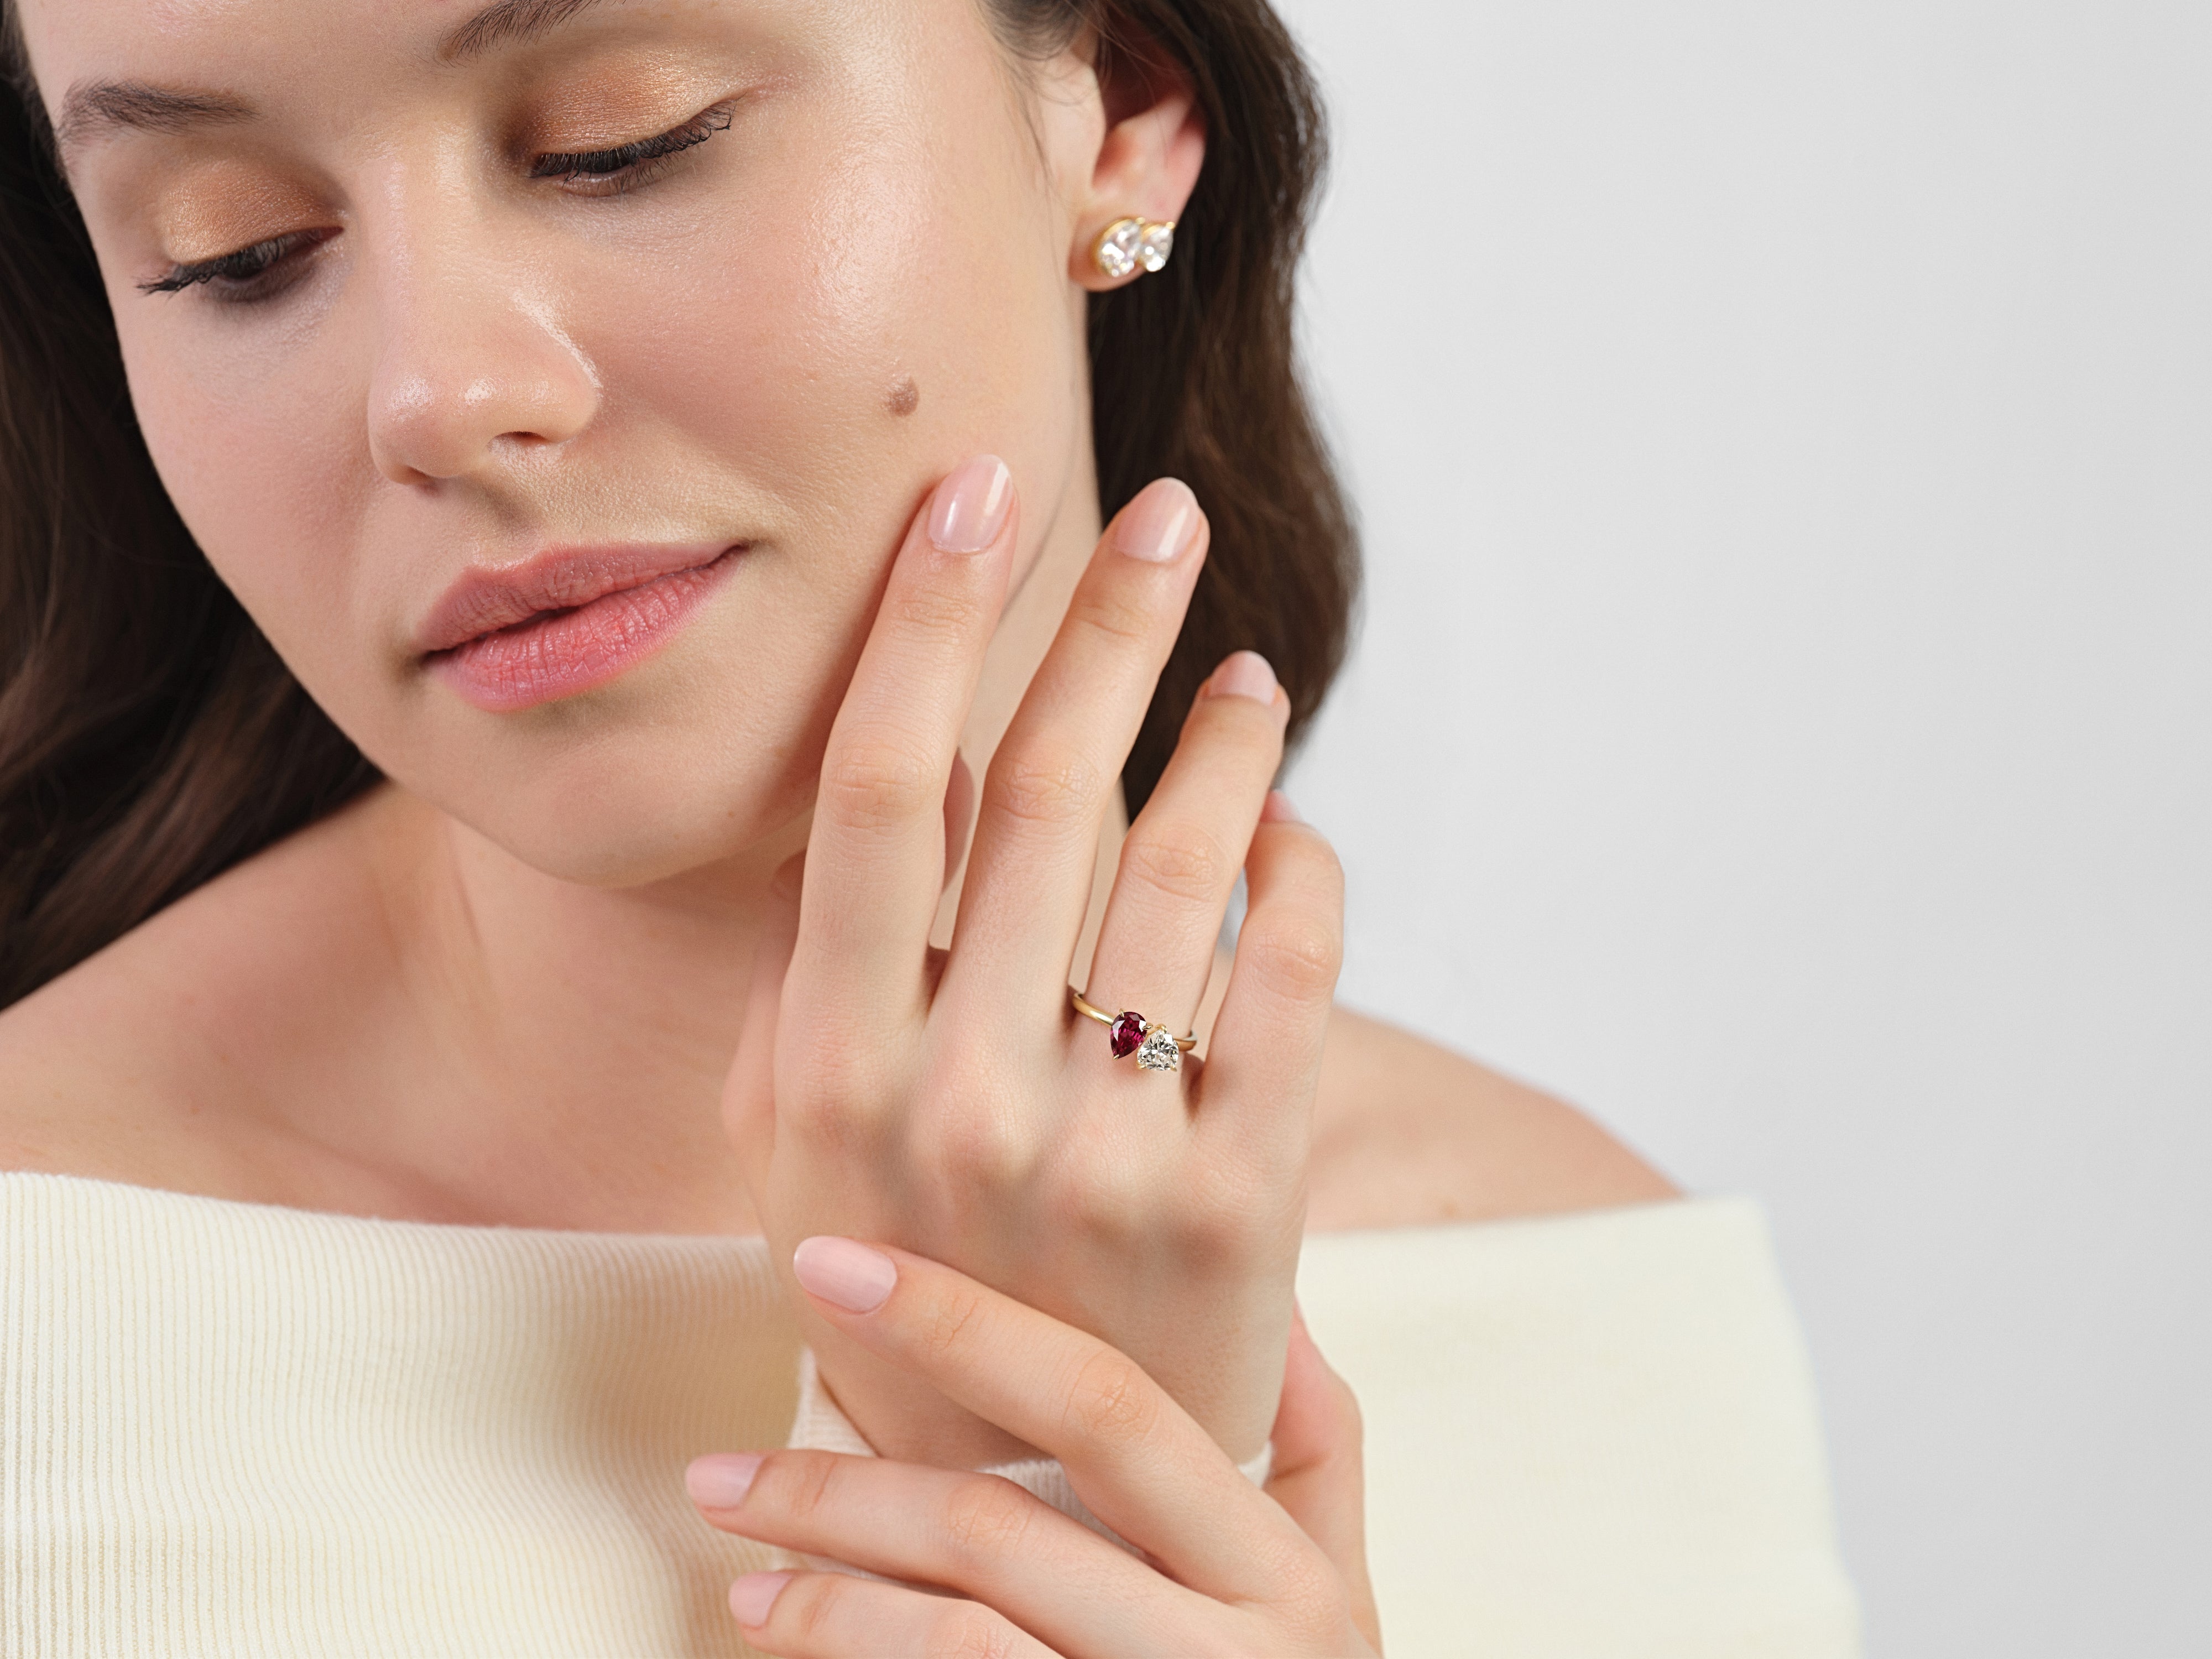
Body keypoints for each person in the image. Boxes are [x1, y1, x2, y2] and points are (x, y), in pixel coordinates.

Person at [0, 0, 1858, 1653]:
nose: (440, 395)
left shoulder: (1597, 1316)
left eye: (620, 139)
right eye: (233, 254)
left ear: (1115, 105)